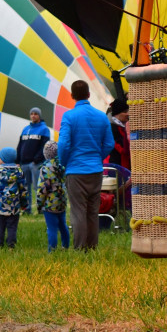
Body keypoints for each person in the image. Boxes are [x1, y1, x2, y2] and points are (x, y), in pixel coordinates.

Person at [57, 80, 114, 250]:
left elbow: (63, 145)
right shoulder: (101, 116)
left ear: (72, 96)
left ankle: (80, 248)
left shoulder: (69, 116)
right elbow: (109, 144)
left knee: (78, 211)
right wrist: (98, 157)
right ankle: (92, 247)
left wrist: (64, 162)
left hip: (75, 170)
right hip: (96, 170)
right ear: (89, 95)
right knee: (92, 211)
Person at [0, 147, 28, 249]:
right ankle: (11, 245)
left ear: (3, 159)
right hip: (14, 205)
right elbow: (23, 189)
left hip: (0, 205)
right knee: (12, 226)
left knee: (0, 227)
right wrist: (24, 204)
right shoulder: (19, 171)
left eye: (0, 157)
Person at [16, 107, 50, 214]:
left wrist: (36, 159)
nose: (33, 115)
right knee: (25, 188)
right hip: (24, 163)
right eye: (32, 114)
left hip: (36, 163)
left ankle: (41, 209)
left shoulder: (44, 129)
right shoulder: (25, 129)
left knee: (38, 187)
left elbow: (44, 146)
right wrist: (17, 159)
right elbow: (20, 145)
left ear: (39, 115)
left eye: (35, 114)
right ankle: (27, 209)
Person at [36, 141, 69, 252]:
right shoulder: (63, 165)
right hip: (62, 201)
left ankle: (52, 250)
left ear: (46, 154)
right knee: (63, 225)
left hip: (50, 203)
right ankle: (65, 246)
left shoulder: (45, 168)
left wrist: (39, 203)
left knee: (52, 228)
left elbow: (42, 189)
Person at [105, 96, 131, 172]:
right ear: (118, 113)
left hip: (123, 165)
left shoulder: (124, 126)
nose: (128, 114)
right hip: (116, 165)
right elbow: (121, 148)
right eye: (125, 111)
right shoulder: (111, 127)